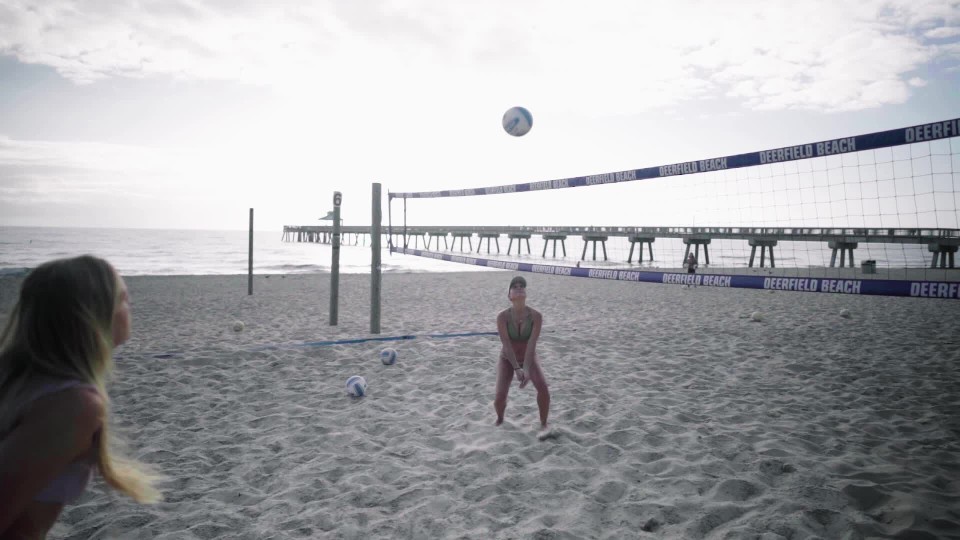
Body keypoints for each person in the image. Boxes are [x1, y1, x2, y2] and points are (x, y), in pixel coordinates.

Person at [0, 255, 163, 539]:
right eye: (123, 298)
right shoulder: (71, 405)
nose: (130, 305)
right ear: (92, 314)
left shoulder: (23, 380)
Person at [494, 275, 550, 429]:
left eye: (522, 286)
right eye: (515, 286)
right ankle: (500, 419)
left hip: (528, 357)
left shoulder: (536, 316)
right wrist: (517, 369)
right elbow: (506, 344)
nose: (519, 287)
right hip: (507, 358)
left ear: (525, 293)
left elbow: (532, 343)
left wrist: (525, 369)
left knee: (543, 389)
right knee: (499, 397)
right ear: (509, 296)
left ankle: (544, 423)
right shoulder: (502, 317)